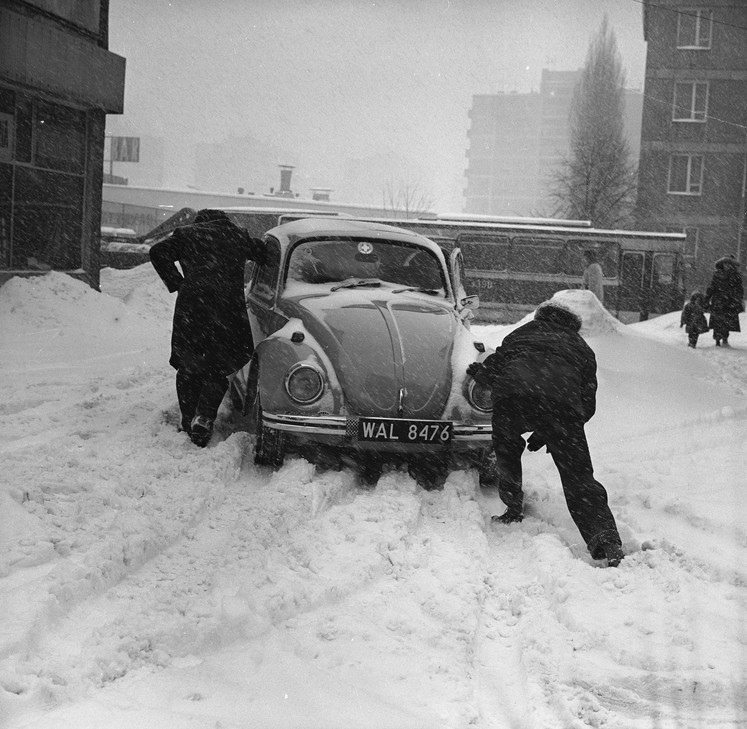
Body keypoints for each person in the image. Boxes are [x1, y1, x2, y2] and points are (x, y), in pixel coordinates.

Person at [467, 301, 624, 567]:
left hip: (512, 398)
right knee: (579, 477)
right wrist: (555, 431)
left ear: (542, 317)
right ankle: (605, 539)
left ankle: (513, 507)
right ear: (572, 326)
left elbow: (496, 367)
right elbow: (587, 402)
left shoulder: (521, 333)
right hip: (562, 406)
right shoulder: (582, 348)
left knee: (507, 451)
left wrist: (481, 374)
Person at [150, 209, 266, 447]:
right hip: (227, 308)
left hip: (193, 308)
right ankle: (204, 417)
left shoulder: (187, 235)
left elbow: (157, 251)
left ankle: (188, 418)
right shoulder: (237, 236)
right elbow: (264, 254)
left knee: (189, 364)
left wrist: (178, 283)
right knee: (218, 366)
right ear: (224, 221)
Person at [704, 255, 744, 347]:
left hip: (729, 302)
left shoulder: (736, 275)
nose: (727, 265)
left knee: (726, 322)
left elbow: (739, 289)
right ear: (722, 264)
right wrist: (707, 298)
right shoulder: (717, 274)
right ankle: (717, 340)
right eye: (725, 263)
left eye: (728, 263)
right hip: (719, 301)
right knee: (718, 322)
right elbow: (712, 287)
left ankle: (725, 338)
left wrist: (737, 299)